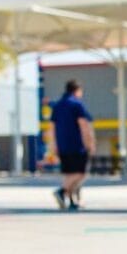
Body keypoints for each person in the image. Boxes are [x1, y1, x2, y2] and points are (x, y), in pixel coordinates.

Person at [50, 79, 96, 211]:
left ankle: (72, 200)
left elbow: (52, 127)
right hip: (77, 144)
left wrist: (53, 145)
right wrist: (90, 142)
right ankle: (62, 191)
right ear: (77, 91)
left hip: (62, 145)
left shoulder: (57, 106)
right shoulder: (77, 105)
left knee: (69, 173)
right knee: (81, 173)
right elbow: (83, 125)